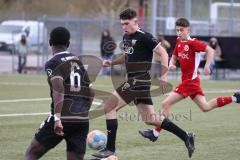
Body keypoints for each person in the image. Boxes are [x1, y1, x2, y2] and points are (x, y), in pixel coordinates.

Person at [92, 9, 195, 159]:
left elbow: (164, 53)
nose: (124, 27)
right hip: (134, 81)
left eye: (126, 23)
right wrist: (112, 62)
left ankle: (110, 149)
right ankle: (186, 136)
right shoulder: (126, 36)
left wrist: (164, 76)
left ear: (136, 22)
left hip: (139, 80)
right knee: (150, 119)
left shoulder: (145, 37)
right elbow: (126, 56)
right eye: (122, 24)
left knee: (109, 106)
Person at [139, 18, 240, 143]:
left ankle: (155, 133)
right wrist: (171, 63)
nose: (179, 33)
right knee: (205, 107)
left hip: (190, 82)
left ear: (188, 30)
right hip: (191, 81)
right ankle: (235, 98)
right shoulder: (179, 41)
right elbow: (175, 55)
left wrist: (208, 66)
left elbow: (211, 50)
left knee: (165, 104)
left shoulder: (193, 43)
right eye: (177, 30)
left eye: (182, 30)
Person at [24, 27, 94, 160]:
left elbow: (59, 89)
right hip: (81, 119)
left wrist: (57, 119)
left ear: (50, 42)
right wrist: (84, 112)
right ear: (68, 44)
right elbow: (91, 91)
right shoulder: (77, 61)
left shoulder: (53, 63)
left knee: (31, 153)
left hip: (62, 118)